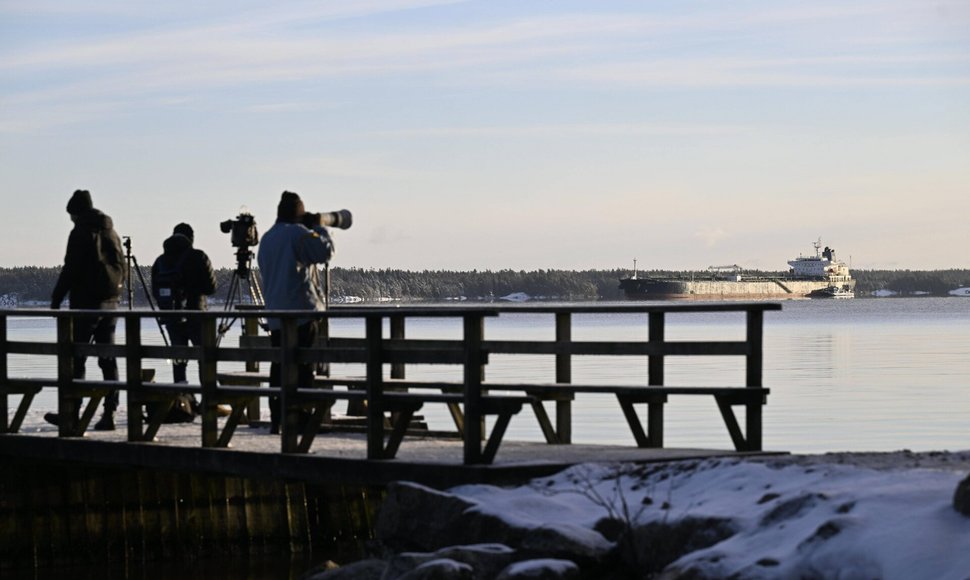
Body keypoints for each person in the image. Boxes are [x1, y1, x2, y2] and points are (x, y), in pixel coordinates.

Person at [46, 189, 126, 431]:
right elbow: (121, 264)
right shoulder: (110, 231)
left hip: (85, 304)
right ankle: (110, 413)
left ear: (75, 212)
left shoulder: (80, 231)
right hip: (110, 302)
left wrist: (57, 298)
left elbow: (71, 267)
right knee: (107, 358)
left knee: (75, 356)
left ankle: (71, 411)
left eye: (71, 215)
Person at [256, 191, 335, 434]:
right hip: (300, 314)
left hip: (276, 317)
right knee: (302, 368)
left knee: (280, 367)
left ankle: (278, 417)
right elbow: (325, 252)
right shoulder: (298, 234)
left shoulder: (267, 239)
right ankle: (300, 418)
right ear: (298, 213)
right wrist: (320, 227)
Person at [151, 223, 217, 388]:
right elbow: (211, 288)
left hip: (171, 317)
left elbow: (155, 291)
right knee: (205, 357)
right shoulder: (198, 256)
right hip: (197, 316)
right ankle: (208, 397)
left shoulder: (160, 261)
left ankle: (182, 399)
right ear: (191, 238)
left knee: (179, 360)